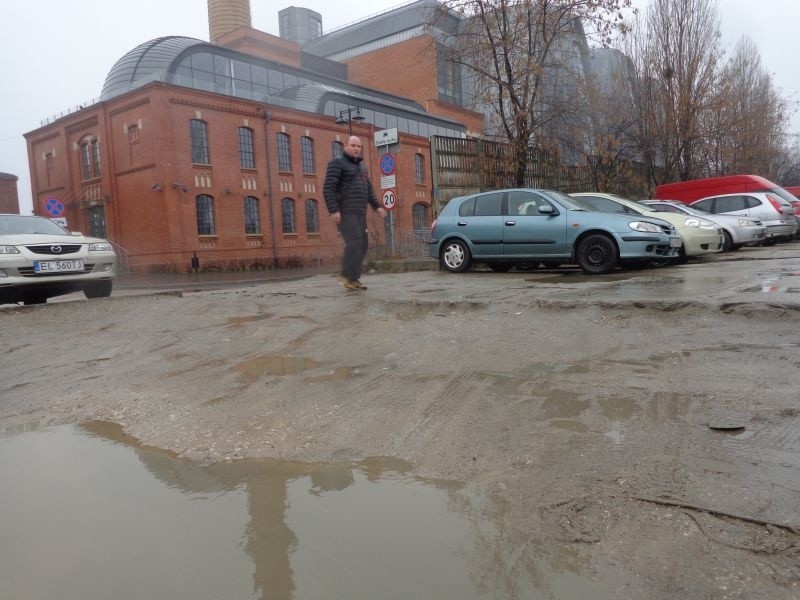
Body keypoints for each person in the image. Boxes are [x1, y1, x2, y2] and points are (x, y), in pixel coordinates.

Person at [323, 135, 387, 291]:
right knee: (355, 242)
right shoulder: (337, 163)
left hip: (360, 212)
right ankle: (346, 276)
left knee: (363, 244)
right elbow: (328, 188)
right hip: (345, 211)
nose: (356, 148)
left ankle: (353, 278)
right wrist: (333, 210)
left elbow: (368, 189)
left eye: (358, 146)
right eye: (353, 145)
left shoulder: (361, 166)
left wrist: (377, 206)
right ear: (345, 146)